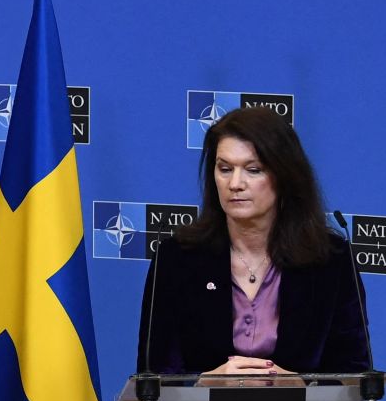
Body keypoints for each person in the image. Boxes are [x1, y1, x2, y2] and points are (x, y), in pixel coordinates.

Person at [138, 106, 370, 380]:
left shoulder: (330, 260)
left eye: (253, 170)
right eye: (225, 169)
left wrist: (300, 387)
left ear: (284, 176)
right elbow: (152, 376)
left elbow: (354, 374)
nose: (235, 183)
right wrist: (205, 384)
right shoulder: (176, 258)